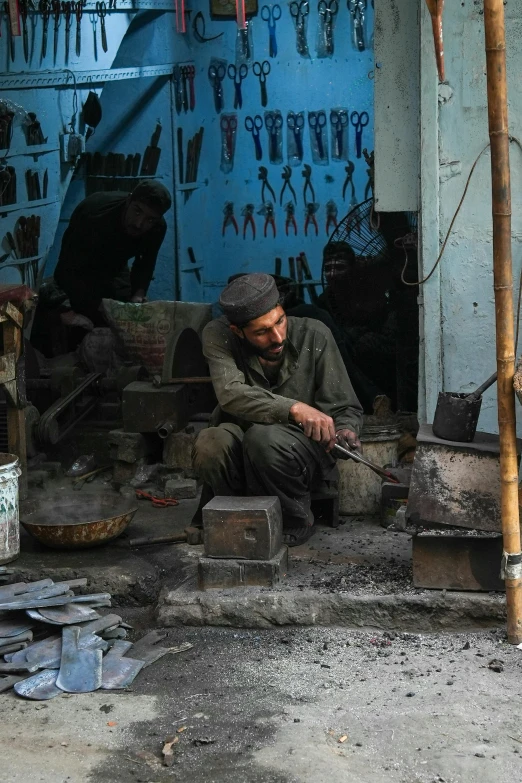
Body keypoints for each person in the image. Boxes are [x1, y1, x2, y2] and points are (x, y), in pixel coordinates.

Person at [192, 273, 363, 546]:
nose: (277, 336)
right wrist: (294, 408)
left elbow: (344, 406)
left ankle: (296, 520)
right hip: (243, 449)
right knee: (211, 441)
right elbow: (230, 394)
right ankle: (228, 515)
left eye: (280, 321)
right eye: (261, 332)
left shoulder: (315, 334)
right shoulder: (218, 334)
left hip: (296, 455)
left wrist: (345, 429)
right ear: (238, 330)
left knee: (264, 438)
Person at [53, 180, 171, 329]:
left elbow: (145, 263)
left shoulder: (157, 228)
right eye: (137, 211)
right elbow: (67, 264)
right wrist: (66, 310)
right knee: (81, 327)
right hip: (81, 269)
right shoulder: (94, 212)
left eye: (150, 219)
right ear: (129, 200)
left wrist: (137, 296)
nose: (139, 223)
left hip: (116, 268)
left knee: (124, 323)